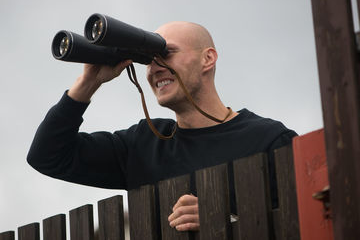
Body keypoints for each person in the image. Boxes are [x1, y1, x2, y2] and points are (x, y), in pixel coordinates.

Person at [27, 21, 297, 232]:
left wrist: (226, 221)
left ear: (208, 58)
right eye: (147, 59)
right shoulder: (144, 143)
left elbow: (308, 224)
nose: (154, 67)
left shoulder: (269, 140)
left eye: (166, 53)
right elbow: (48, 156)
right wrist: (88, 82)